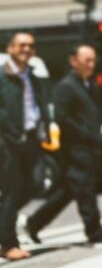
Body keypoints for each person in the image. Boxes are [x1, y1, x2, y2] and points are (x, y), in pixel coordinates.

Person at [24, 44, 102, 248]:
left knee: (67, 191)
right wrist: (87, 136)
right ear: (73, 61)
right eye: (86, 61)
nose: (91, 65)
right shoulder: (65, 86)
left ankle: (33, 223)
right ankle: (96, 235)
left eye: (93, 60)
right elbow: (62, 118)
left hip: (88, 148)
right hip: (75, 149)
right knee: (86, 192)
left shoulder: (87, 85)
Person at [0, 31, 49, 261]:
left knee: (37, 184)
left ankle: (3, 219)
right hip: (8, 142)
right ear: (10, 48)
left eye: (30, 46)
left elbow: (38, 107)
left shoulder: (34, 76)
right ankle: (8, 244)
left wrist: (44, 130)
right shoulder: (2, 77)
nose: (26, 49)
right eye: (22, 45)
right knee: (12, 191)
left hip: (31, 139)